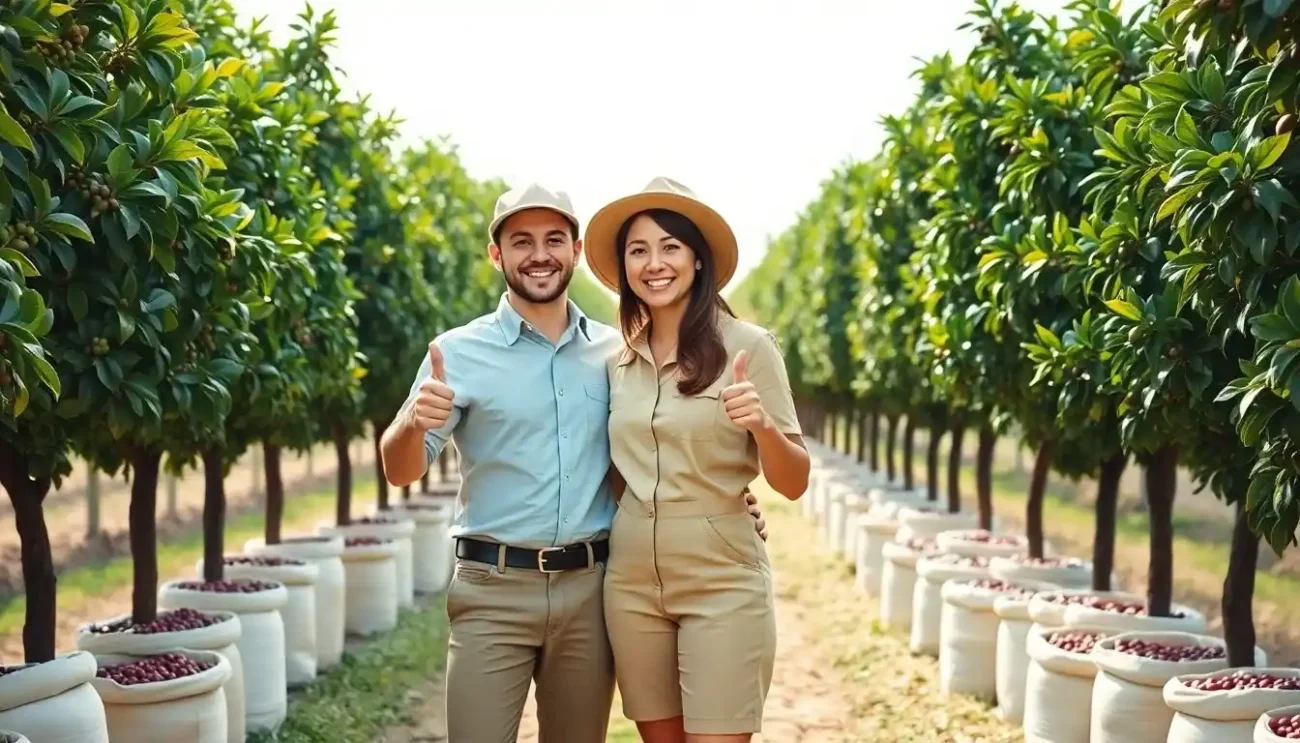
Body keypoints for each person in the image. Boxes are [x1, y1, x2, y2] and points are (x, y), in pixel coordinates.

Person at [378, 183, 768, 742]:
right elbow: (400, 470)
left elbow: (642, 456)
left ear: (577, 251)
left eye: (554, 239)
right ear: (497, 255)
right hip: (493, 589)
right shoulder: (457, 353)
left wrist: (726, 502)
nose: (540, 254)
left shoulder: (618, 353)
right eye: (521, 241)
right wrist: (412, 422)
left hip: (591, 589)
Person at [583, 177, 810, 743]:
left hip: (722, 579)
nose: (654, 263)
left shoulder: (749, 348)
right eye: (638, 250)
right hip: (632, 582)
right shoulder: (616, 361)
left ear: (698, 261)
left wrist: (759, 426)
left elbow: (795, 481)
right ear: (625, 267)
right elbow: (615, 470)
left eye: (670, 247)